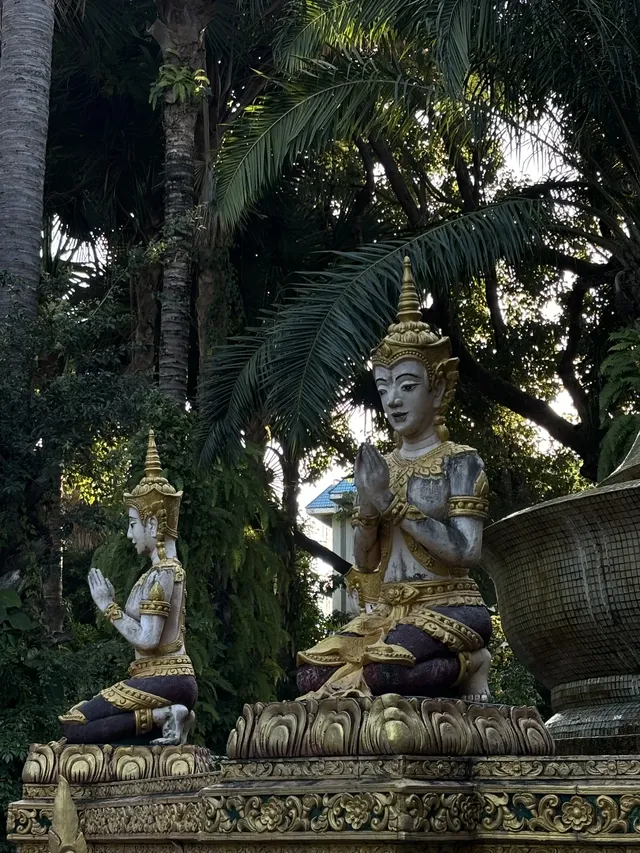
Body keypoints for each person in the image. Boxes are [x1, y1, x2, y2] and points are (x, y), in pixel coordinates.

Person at [297, 258, 492, 700]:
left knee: (384, 673)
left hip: (450, 603)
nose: (393, 401)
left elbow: (468, 550)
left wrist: (394, 507)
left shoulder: (459, 462)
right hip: (389, 610)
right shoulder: (379, 465)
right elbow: (366, 565)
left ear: (437, 389)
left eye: (406, 385)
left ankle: (472, 662)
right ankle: (448, 668)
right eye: (384, 389)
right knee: (311, 675)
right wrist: (368, 509)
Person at [59, 432, 197, 744]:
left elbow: (148, 639)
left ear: (153, 525)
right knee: (88, 719)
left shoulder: (164, 573)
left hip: (166, 677)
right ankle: (168, 717)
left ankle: (166, 715)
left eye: (133, 524)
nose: (129, 533)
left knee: (76, 725)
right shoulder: (160, 572)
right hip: (158, 678)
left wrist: (108, 606)